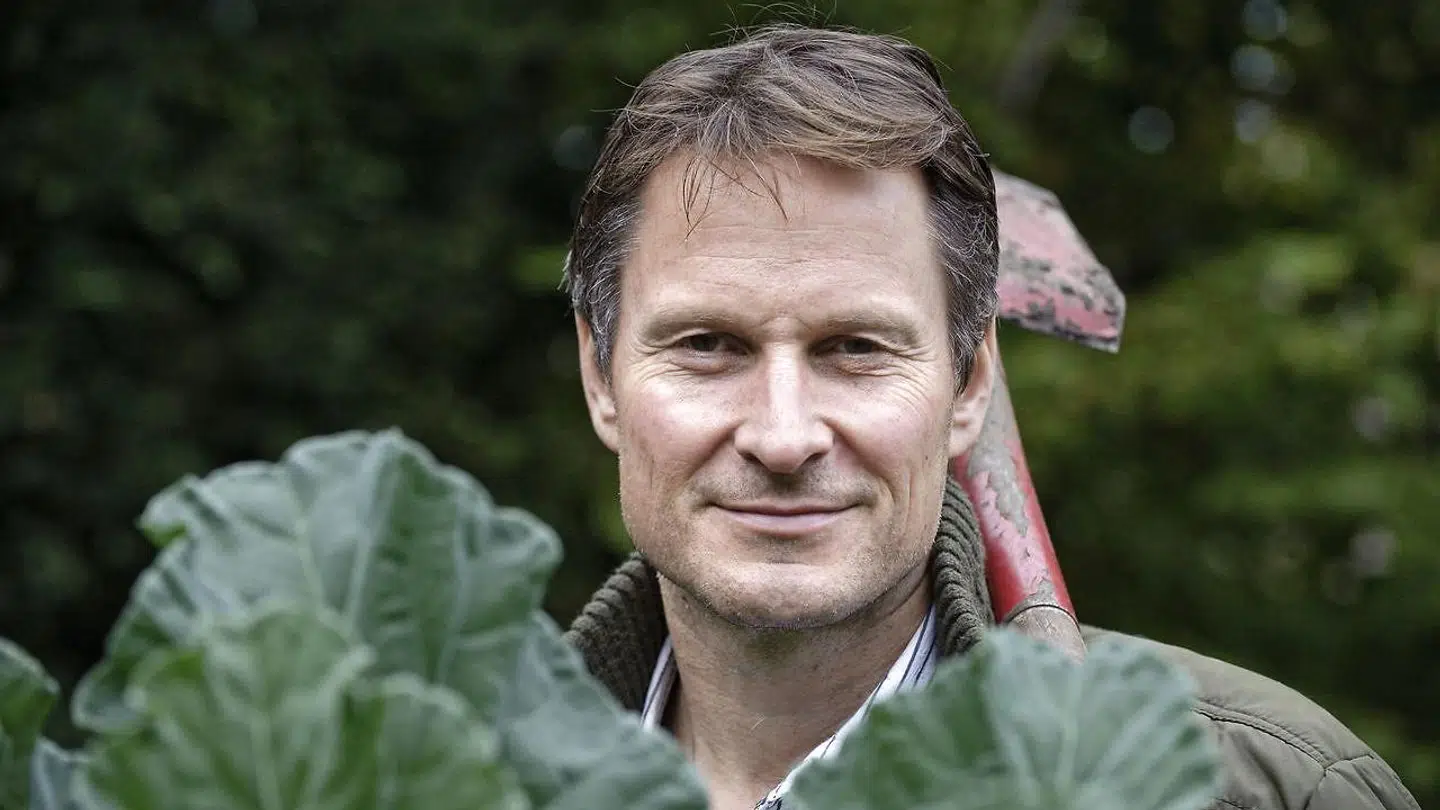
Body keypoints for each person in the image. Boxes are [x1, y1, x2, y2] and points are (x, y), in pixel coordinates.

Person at [558, 23, 1418, 810]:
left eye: (856, 348)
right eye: (708, 345)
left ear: (970, 382)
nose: (783, 437)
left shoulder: (1265, 791)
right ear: (601, 375)